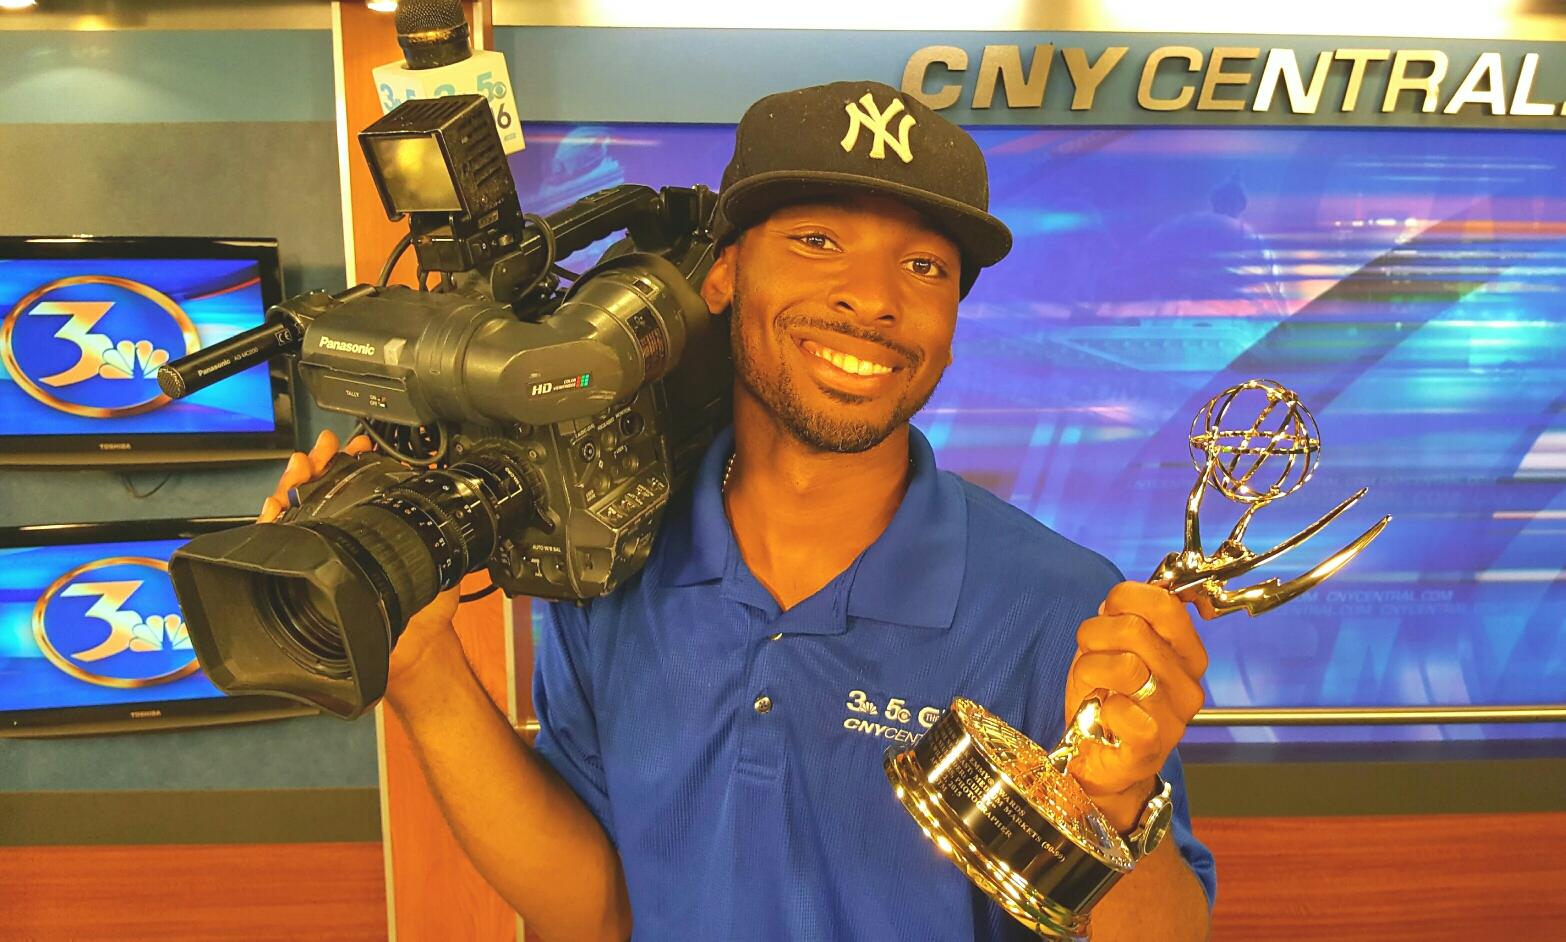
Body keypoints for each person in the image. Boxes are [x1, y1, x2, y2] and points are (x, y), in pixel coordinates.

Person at [265, 80, 1216, 941]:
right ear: (721, 277)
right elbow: (593, 910)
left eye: (925, 267)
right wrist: (426, 677)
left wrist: (1118, 805)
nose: (872, 299)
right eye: (817, 241)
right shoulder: (617, 558)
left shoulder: (1063, 607)